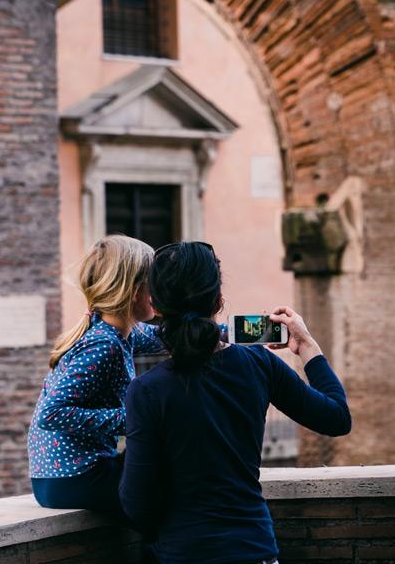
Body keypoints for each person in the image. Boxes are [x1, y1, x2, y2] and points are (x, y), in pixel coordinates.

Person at [120, 241, 351, 563]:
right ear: (218, 300)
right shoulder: (257, 362)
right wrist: (308, 345)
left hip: (184, 552)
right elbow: (336, 418)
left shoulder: (147, 391)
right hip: (255, 549)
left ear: (154, 306)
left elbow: (137, 504)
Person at [28, 234, 162, 514]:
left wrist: (247, 332)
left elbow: (175, 337)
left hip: (63, 479)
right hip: (75, 479)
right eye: (155, 282)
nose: (161, 291)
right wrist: (132, 419)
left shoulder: (121, 333)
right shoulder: (104, 344)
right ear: (134, 290)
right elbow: (51, 414)